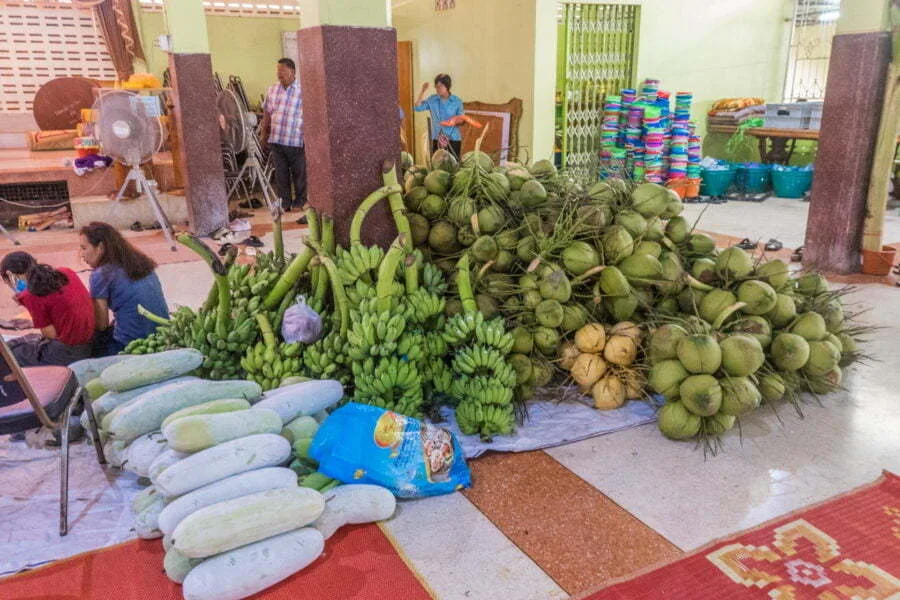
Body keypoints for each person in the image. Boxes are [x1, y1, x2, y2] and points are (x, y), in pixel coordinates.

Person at [79, 222, 169, 356]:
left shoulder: (101, 274)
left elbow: (101, 324)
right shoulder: (141, 262)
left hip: (132, 345)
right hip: (164, 336)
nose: (81, 254)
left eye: (84, 248)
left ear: (100, 248)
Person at [0, 252, 94, 370]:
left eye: (7, 282)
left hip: (70, 353)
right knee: (24, 342)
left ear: (10, 275)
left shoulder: (31, 294)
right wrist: (32, 323)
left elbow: (50, 334)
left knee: (8, 355)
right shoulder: (65, 272)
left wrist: (24, 298)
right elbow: (64, 311)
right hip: (90, 341)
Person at [261, 57, 307, 225]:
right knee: (281, 174)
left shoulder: (303, 90)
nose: (279, 75)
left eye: (282, 72)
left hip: (296, 139)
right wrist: (263, 134)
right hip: (277, 139)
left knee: (299, 173)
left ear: (292, 72)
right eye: (278, 72)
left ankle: (300, 201)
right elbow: (267, 113)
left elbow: (310, 115)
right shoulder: (272, 90)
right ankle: (285, 202)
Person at [414, 73, 464, 157]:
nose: (437, 89)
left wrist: (453, 121)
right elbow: (417, 107)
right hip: (437, 140)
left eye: (440, 86)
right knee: (437, 167)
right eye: (436, 86)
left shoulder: (456, 101)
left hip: (453, 140)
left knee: (453, 167)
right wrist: (423, 90)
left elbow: (462, 119)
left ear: (447, 86)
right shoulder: (433, 99)